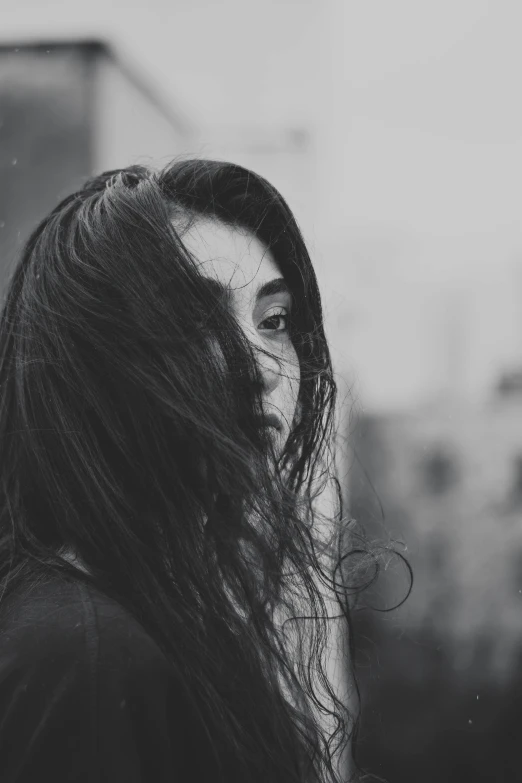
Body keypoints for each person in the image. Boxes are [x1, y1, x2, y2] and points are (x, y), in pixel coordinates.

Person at [0, 159, 365, 782]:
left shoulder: (164, 620)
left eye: (274, 322)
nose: (265, 367)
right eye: (194, 321)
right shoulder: (83, 657)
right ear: (93, 363)